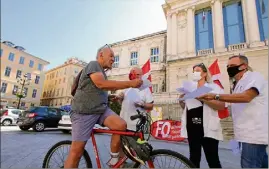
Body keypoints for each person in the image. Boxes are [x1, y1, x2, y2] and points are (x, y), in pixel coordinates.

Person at [64, 44, 143, 168]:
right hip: (83, 112)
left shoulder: (102, 72)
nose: (113, 59)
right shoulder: (93, 64)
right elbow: (101, 84)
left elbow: (96, 90)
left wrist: (110, 97)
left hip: (100, 110)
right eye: (111, 56)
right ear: (101, 55)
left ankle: (114, 160)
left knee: (120, 125)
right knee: (76, 153)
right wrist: (130, 83)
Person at [197, 55, 268, 168]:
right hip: (243, 134)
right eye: (228, 66)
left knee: (249, 165)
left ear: (243, 66)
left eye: (233, 66)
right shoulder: (238, 83)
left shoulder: (254, 77)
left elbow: (247, 97)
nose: (229, 68)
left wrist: (215, 96)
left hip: (253, 135)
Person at [179, 63, 225, 168]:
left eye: (198, 70)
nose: (195, 73)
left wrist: (201, 98)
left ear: (204, 73)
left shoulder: (213, 87)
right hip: (192, 126)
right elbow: (184, 107)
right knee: (194, 158)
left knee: (212, 159)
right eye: (194, 71)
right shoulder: (189, 88)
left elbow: (221, 106)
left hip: (208, 127)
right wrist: (182, 99)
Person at [117, 67, 154, 167]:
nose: (136, 76)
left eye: (139, 75)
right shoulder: (127, 87)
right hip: (123, 122)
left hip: (136, 125)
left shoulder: (145, 89)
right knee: (122, 145)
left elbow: (151, 105)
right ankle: (121, 164)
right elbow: (122, 102)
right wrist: (120, 98)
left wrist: (142, 105)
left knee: (135, 148)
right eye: (134, 74)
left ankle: (135, 165)